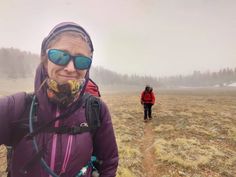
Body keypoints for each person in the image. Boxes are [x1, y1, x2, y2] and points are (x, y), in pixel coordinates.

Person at [0, 22, 118, 177]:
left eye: (82, 61)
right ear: (45, 58)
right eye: (60, 56)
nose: (70, 67)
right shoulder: (16, 107)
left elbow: (108, 162)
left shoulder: (97, 110)